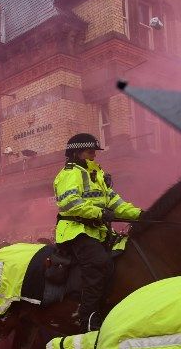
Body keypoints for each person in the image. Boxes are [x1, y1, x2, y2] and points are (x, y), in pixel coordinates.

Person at [53, 133, 142, 332]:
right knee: (98, 263)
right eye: (89, 151)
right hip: (75, 231)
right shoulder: (69, 174)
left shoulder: (99, 175)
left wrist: (141, 214)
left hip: (98, 231)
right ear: (76, 153)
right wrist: (100, 212)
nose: (94, 155)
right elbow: (70, 203)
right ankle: (88, 318)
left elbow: (116, 203)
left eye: (94, 151)